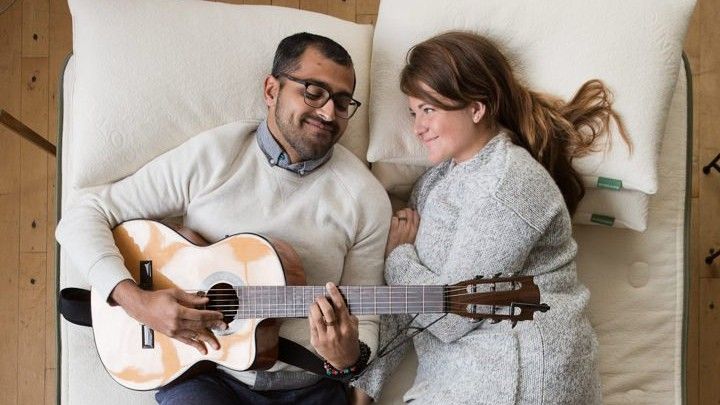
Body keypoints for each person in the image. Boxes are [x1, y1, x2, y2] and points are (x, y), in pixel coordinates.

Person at [56, 32, 391, 404]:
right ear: (271, 90)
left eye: (343, 102)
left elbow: (369, 317)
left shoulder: (366, 199)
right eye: (313, 92)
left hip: (310, 384)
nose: (329, 113)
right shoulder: (214, 156)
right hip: (203, 372)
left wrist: (348, 358)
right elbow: (82, 217)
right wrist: (137, 301)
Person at [351, 31, 631, 404]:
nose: (418, 126)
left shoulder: (509, 182)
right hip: (462, 375)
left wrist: (399, 259)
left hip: (524, 373)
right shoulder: (434, 185)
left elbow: (452, 315)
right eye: (414, 112)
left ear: (476, 108)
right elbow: (407, 306)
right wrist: (363, 388)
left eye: (429, 110)